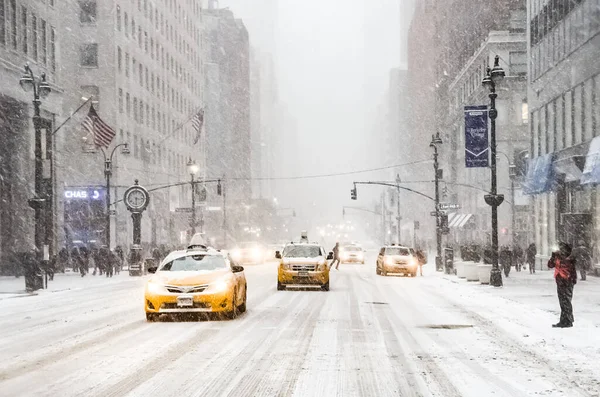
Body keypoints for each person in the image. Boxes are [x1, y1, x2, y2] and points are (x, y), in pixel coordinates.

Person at [547, 242, 577, 328]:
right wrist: (553, 256)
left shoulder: (569, 257)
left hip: (567, 280)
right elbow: (550, 265)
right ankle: (564, 320)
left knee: (566, 301)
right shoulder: (557, 257)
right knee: (562, 301)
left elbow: (570, 267)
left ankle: (568, 320)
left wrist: (571, 279)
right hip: (560, 280)